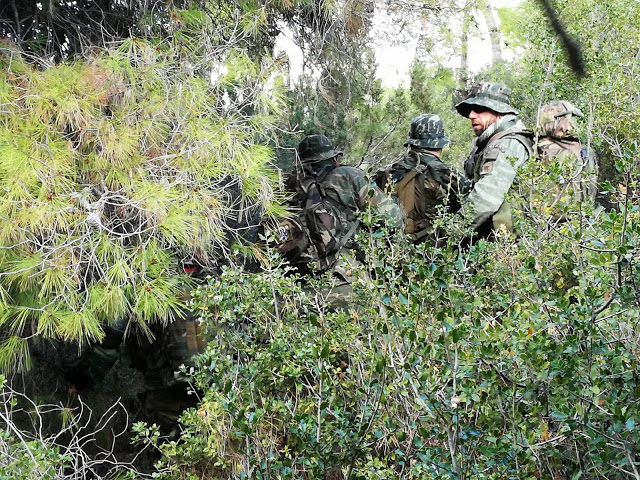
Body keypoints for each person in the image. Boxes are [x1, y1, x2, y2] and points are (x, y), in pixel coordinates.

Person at [277, 134, 402, 306]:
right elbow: (393, 218)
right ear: (334, 158)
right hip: (345, 280)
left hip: (296, 286)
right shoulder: (350, 176)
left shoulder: (286, 185)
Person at [455, 82, 533, 239]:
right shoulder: (488, 143)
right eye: (470, 110)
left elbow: (485, 198)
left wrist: (448, 234)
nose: (471, 115)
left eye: (479, 109)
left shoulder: (508, 144)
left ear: (499, 111)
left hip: (507, 248)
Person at [376, 114, 470, 244]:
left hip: (391, 251)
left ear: (411, 142)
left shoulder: (386, 172)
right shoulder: (449, 175)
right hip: (434, 254)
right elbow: (472, 208)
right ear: (440, 143)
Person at [537, 100, 598, 212]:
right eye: (568, 120)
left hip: (576, 218)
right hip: (561, 219)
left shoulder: (580, 149)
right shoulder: (540, 149)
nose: (571, 125)